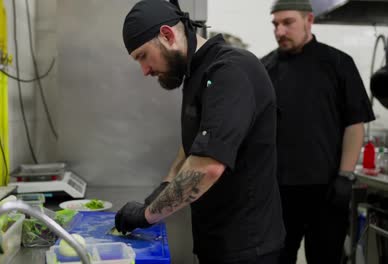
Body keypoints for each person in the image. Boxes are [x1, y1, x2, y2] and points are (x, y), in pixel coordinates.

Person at [116, 0, 285, 263]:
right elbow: (194, 145)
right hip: (215, 239)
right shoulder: (197, 72)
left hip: (248, 247)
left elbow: (207, 166)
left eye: (142, 56)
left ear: (168, 35)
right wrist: (165, 185)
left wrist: (148, 214)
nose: (144, 70)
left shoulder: (230, 71)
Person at [261, 0, 376, 263]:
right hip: (278, 193)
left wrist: (345, 176)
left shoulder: (338, 63)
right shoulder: (264, 68)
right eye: (275, 24)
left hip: (327, 190)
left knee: (324, 257)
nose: (279, 31)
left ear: (309, 20)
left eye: (287, 23)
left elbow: (354, 124)